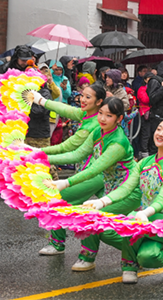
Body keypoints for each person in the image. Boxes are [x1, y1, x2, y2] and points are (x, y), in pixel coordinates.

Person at [45, 97, 141, 274]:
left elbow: (96, 168)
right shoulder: (99, 131)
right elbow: (76, 154)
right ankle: (134, 249)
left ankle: (136, 250)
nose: (103, 119)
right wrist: (40, 156)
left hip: (128, 192)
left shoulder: (118, 142)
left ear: (119, 119)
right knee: (94, 219)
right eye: (101, 114)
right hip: (110, 188)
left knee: (93, 218)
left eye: (109, 115)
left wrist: (65, 183)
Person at [34, 84, 107, 255]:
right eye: (82, 95)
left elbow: (69, 150)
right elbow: (65, 109)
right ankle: (134, 254)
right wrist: (43, 101)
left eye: (88, 97)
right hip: (96, 173)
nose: (82, 99)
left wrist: (37, 152)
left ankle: (61, 245)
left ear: (99, 102)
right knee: (114, 220)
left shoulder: (94, 123)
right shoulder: (87, 115)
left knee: (57, 199)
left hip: (96, 174)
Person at [122, 119, 163, 283]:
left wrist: (144, 212)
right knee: (143, 252)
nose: (160, 134)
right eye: (159, 129)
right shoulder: (145, 162)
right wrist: (102, 202)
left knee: (133, 224)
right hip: (147, 219)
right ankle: (130, 266)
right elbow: (126, 187)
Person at [138, 73, 153, 158]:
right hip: (145, 113)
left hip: (152, 113)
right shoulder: (142, 89)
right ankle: (144, 151)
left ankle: (149, 150)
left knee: (151, 132)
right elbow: (145, 100)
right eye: (149, 78)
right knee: (145, 133)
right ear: (145, 80)